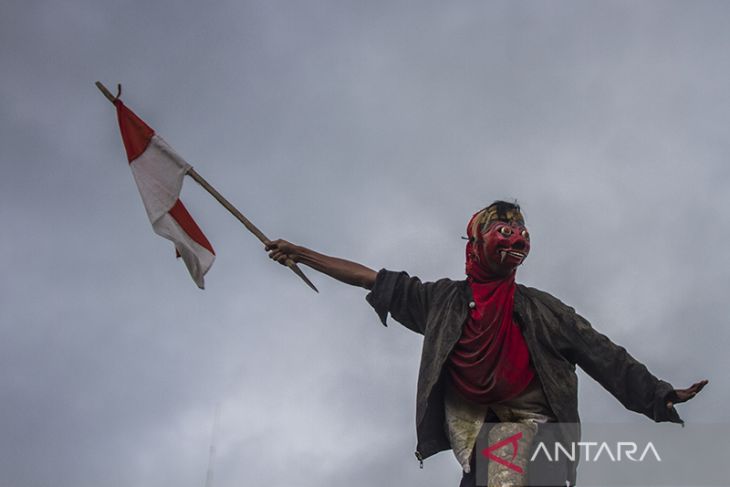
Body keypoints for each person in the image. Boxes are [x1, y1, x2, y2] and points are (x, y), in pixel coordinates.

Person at [266, 201, 707, 486]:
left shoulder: (543, 310)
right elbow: (371, 277)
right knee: (487, 474)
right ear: (476, 242)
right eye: (503, 228)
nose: (516, 237)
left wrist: (658, 395)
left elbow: (602, 353)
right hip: (477, 426)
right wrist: (303, 253)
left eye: (521, 231)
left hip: (541, 427)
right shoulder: (441, 301)